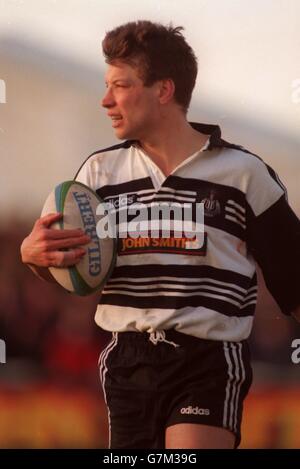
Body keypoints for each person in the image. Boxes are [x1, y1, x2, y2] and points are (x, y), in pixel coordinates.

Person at [21, 20, 300, 449]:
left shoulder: (244, 174)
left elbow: (294, 277)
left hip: (208, 358)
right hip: (127, 360)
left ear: (163, 90)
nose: (105, 100)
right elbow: (73, 276)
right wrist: (36, 257)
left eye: (120, 85)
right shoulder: (98, 174)